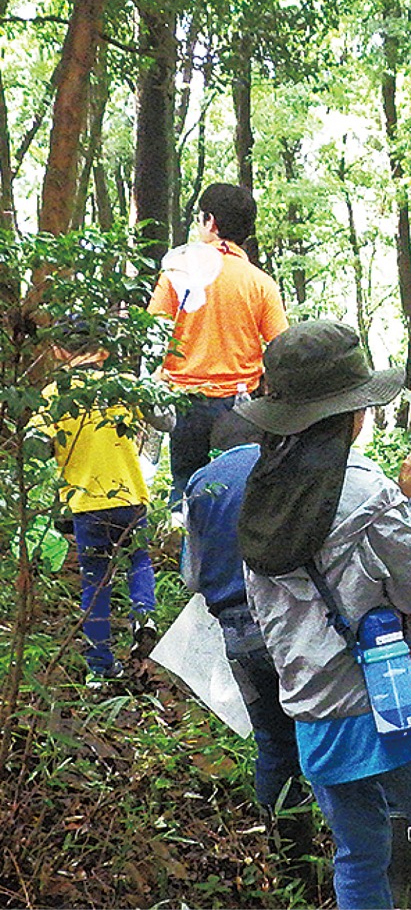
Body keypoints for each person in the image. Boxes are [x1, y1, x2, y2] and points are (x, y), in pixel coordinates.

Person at [234, 320, 411, 910]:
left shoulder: (260, 497)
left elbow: (266, 614)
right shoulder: (370, 494)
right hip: (391, 707)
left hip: (315, 718)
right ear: (350, 414)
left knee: (358, 855)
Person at [182, 412, 306, 821]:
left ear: (219, 447)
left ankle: (289, 864)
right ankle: (354, 856)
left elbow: (191, 578)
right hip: (292, 624)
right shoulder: (282, 466)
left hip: (239, 637)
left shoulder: (200, 484)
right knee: (329, 730)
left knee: (273, 743)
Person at [39, 322, 166, 685]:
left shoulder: (53, 394)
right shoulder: (122, 386)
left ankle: (99, 667)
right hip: (129, 495)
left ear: (59, 352)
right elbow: (168, 420)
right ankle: (144, 612)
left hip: (84, 503)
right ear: (103, 352)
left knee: (95, 581)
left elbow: (35, 444)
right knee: (138, 558)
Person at [148, 182, 288, 507]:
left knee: (185, 488)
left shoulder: (176, 274)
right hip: (241, 405)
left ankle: (184, 553)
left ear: (210, 222)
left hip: (185, 403)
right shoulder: (260, 283)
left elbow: (151, 334)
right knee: (237, 490)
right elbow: (282, 348)